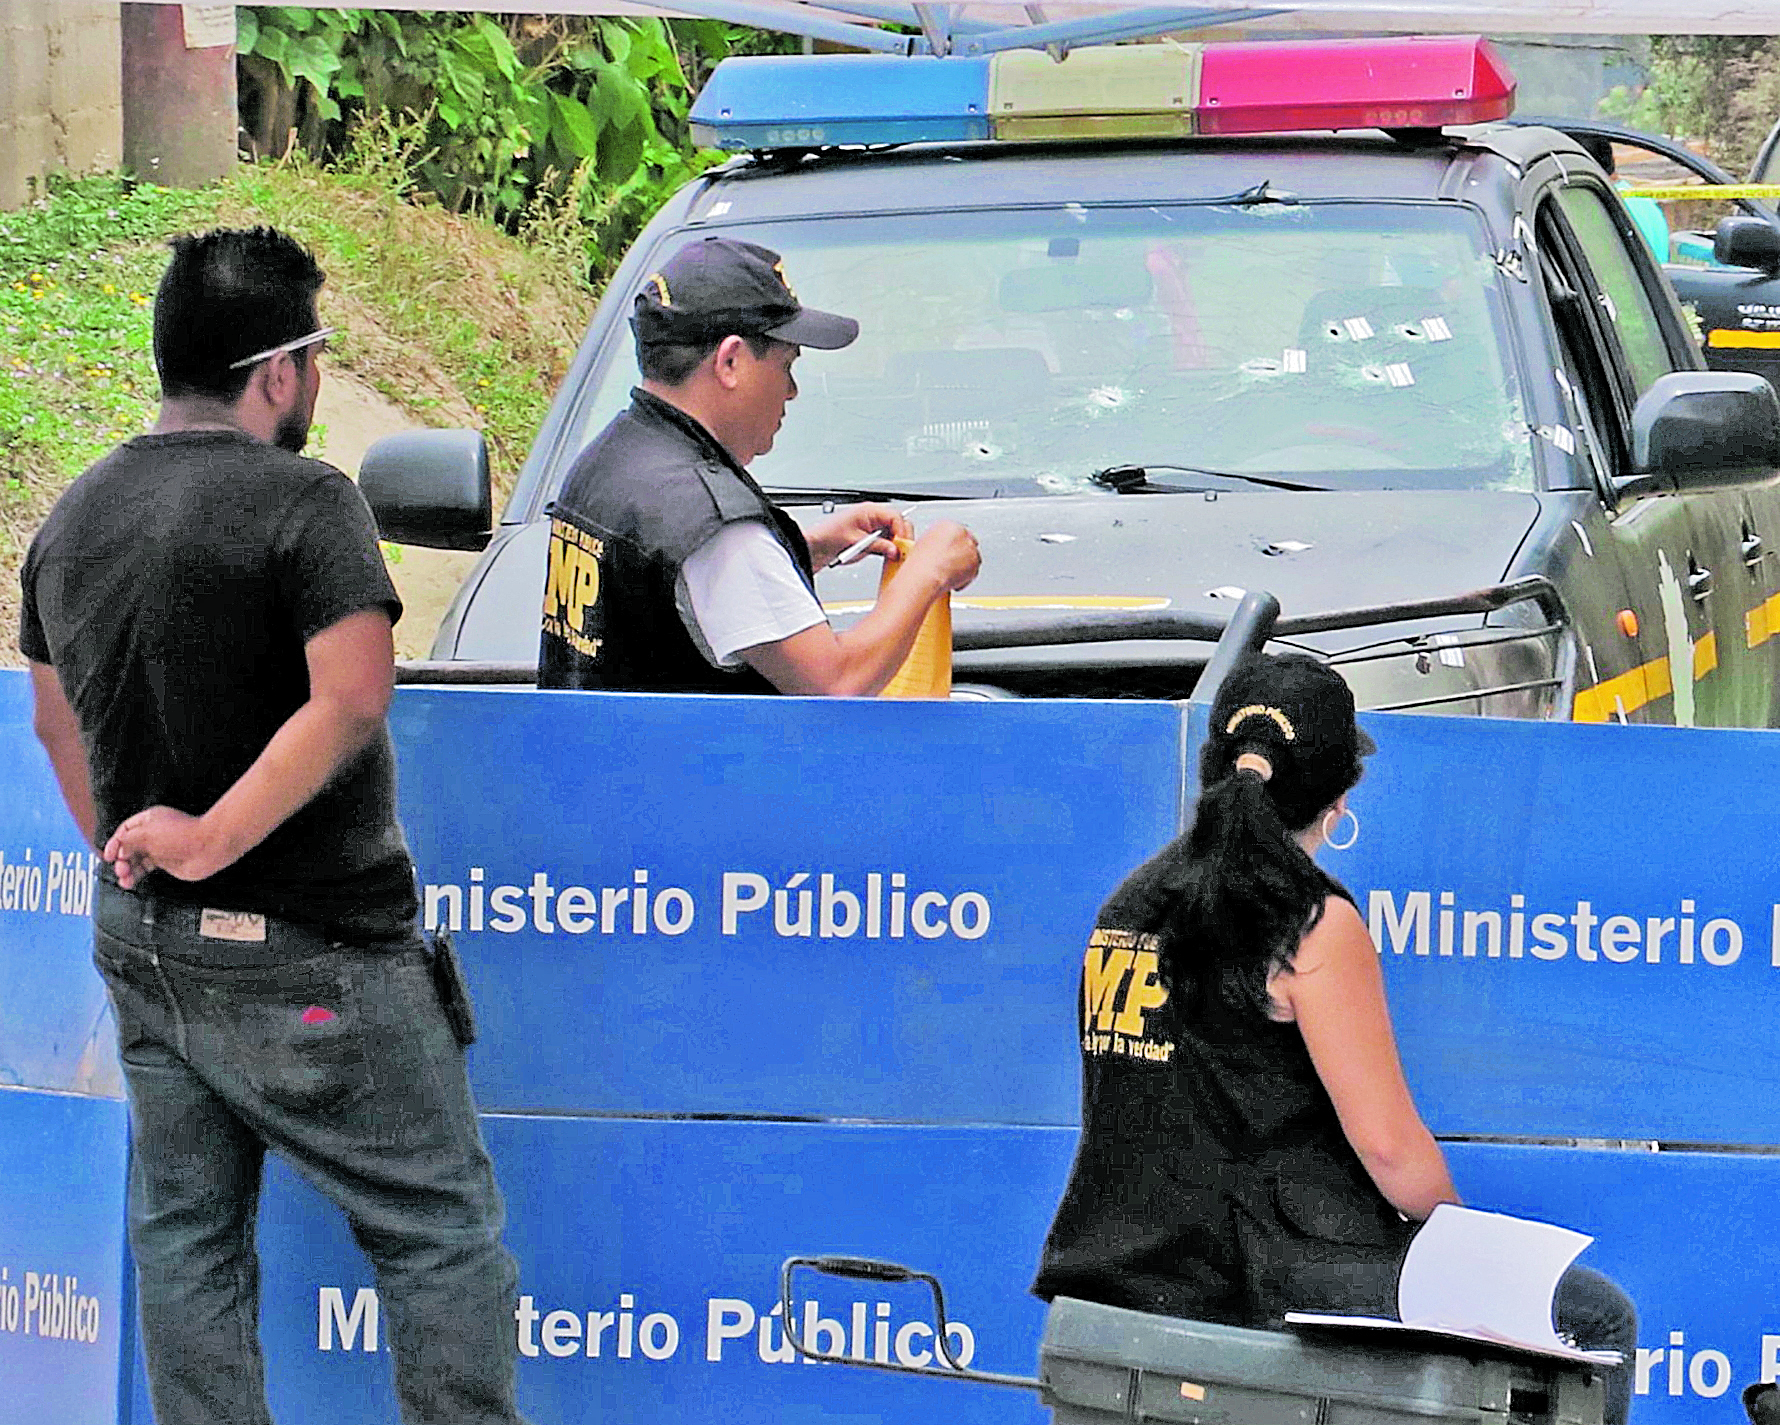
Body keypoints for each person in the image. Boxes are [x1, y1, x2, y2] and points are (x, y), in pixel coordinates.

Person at [18, 227, 526, 1425]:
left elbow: (52, 725)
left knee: (189, 1245)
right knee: (438, 1230)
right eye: (314, 357)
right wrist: (203, 839)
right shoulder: (306, 500)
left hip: (145, 947)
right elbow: (352, 692)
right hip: (319, 950)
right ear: (281, 372)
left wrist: (139, 851)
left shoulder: (73, 514)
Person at [1032, 653, 1637, 1424]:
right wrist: (1461, 1257)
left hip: (1117, 1261)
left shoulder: (1129, 901)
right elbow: (1390, 1149)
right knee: (1596, 1319)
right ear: (1341, 795)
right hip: (1263, 1275)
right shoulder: (1310, 921)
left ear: (1215, 765)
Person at [538, 235, 981, 694]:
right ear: (730, 361)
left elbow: (672, 596)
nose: (791, 391)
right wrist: (928, 572)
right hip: (689, 767)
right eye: (787, 365)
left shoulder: (609, 460)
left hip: (601, 761)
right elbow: (836, 682)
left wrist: (810, 546)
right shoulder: (714, 526)